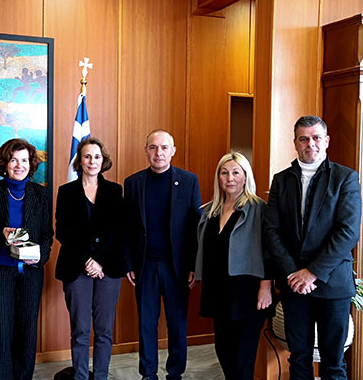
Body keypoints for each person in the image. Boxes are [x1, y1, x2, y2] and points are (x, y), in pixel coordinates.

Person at [264, 115, 361, 380]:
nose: (311, 144)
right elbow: (271, 231)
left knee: (333, 364)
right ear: (295, 142)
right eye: (304, 139)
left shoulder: (345, 178)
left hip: (333, 284)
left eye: (316, 138)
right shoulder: (281, 180)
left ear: (326, 141)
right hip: (294, 285)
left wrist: (312, 273)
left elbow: (348, 232)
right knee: (299, 360)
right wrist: (293, 273)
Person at [124, 129, 201, 380]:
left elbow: (195, 226)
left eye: (164, 147)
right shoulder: (133, 183)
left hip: (177, 266)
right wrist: (128, 263)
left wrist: (194, 265)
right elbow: (127, 227)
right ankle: (148, 374)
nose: (159, 153)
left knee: (177, 324)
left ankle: (175, 373)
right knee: (147, 323)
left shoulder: (189, 181)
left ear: (173, 151)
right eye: (153, 147)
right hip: (145, 264)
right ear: (146, 151)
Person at [0, 138, 53, 380]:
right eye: (13, 160)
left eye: (24, 160)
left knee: (27, 333)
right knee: (0, 332)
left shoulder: (41, 194)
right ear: (4, 163)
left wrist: (39, 258)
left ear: (31, 164)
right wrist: (1, 233)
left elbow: (47, 234)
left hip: (31, 273)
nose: (19, 165)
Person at [194, 152, 272, 379]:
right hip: (218, 291)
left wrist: (265, 286)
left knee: (241, 361)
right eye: (224, 172)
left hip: (247, 292)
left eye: (236, 172)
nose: (230, 178)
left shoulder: (258, 208)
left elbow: (269, 250)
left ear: (246, 176)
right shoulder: (211, 210)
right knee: (224, 353)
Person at [55, 138, 125, 380]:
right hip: (76, 267)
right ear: (80, 160)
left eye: (96, 156)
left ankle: (101, 376)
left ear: (103, 160)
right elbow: (63, 231)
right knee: (80, 330)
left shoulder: (114, 191)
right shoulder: (66, 192)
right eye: (87, 156)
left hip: (108, 268)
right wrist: (88, 260)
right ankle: (81, 377)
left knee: (104, 331)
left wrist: (99, 261)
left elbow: (118, 231)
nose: (92, 161)